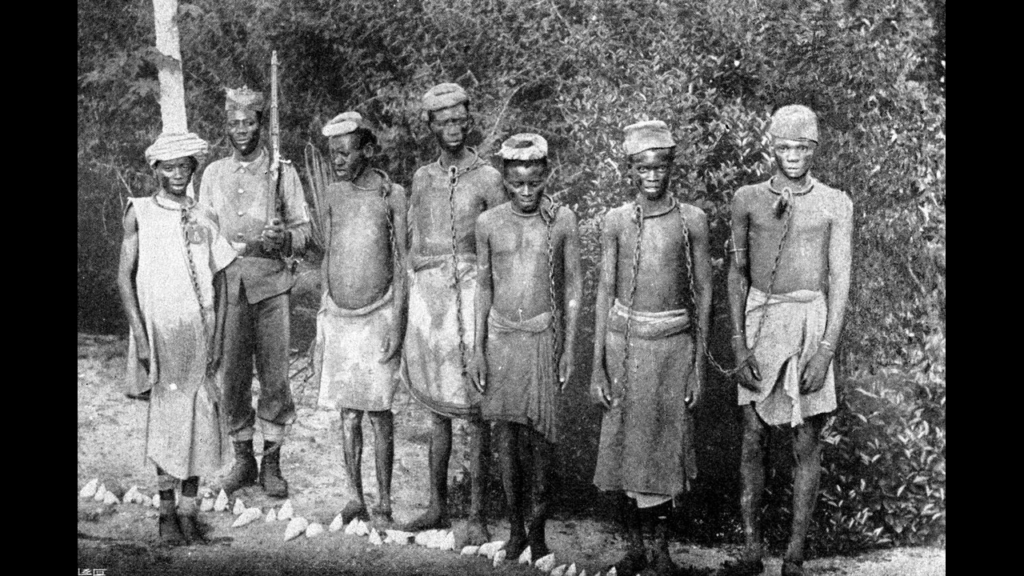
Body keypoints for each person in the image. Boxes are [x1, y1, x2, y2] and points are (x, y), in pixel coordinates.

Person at [719, 105, 852, 576]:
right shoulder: (747, 199)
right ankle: (753, 549)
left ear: (815, 149)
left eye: (802, 147)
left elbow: (840, 280)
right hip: (761, 318)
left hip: (811, 320)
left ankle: (794, 555)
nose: (792, 156)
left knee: (806, 436)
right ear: (770, 146)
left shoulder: (835, 202)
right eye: (783, 147)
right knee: (753, 433)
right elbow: (736, 274)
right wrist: (739, 345)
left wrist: (825, 350)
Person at [591, 120, 712, 575]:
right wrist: (598, 366)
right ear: (630, 169)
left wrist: (697, 365)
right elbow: (605, 289)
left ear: (671, 166)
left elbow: (704, 292)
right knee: (624, 448)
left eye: (660, 166)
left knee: (664, 450)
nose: (652, 176)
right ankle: (634, 547)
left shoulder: (691, 221)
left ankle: (662, 550)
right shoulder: (617, 221)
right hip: (625, 347)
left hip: (671, 350)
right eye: (643, 167)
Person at [118, 132, 236, 545]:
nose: (177, 174)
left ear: (193, 168)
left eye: (184, 166)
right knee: (168, 420)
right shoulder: (141, 213)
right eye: (169, 167)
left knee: (201, 419)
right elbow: (124, 279)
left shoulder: (205, 216)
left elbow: (221, 280)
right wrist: (141, 336)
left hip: (199, 333)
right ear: (155, 170)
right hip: (162, 333)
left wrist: (219, 335)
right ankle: (166, 513)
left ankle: (189, 512)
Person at [401, 82, 506, 543]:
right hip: (430, 301)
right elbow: (414, 242)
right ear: (430, 126)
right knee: (435, 409)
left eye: (459, 121)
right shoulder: (422, 178)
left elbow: (501, 245)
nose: (452, 129)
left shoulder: (488, 178)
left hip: (471, 297)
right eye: (443, 121)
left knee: (476, 411)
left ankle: (479, 514)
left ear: (470, 122)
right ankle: (437, 505)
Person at [470, 134, 582, 558]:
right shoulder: (489, 223)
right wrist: (478, 349)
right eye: (517, 183)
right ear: (504, 179)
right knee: (506, 439)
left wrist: (569, 347)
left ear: (546, 175)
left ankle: (538, 532)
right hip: (501, 340)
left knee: (540, 442)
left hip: (542, 339)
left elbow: (573, 285)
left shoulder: (562, 220)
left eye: (534, 182)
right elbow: (483, 285)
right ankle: (514, 529)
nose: (526, 191)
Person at [198, 86, 312, 498]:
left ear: (262, 125)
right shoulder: (213, 175)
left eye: (249, 122)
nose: (241, 130)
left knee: (276, 377)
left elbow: (305, 232)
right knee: (232, 376)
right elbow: (202, 229)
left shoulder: (283, 172)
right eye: (234, 123)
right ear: (226, 126)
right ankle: (243, 460)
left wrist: (283, 238)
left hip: (272, 287)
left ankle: (273, 464)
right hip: (228, 284)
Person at [310, 112, 408, 525]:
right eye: (333, 154)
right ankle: (355, 497)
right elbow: (329, 255)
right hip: (339, 317)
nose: (338, 161)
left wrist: (397, 326)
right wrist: (321, 320)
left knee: (379, 412)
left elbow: (403, 264)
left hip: (378, 316)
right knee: (347, 413)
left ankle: (384, 500)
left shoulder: (392, 194)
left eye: (346, 153)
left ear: (367, 150)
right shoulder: (332, 194)